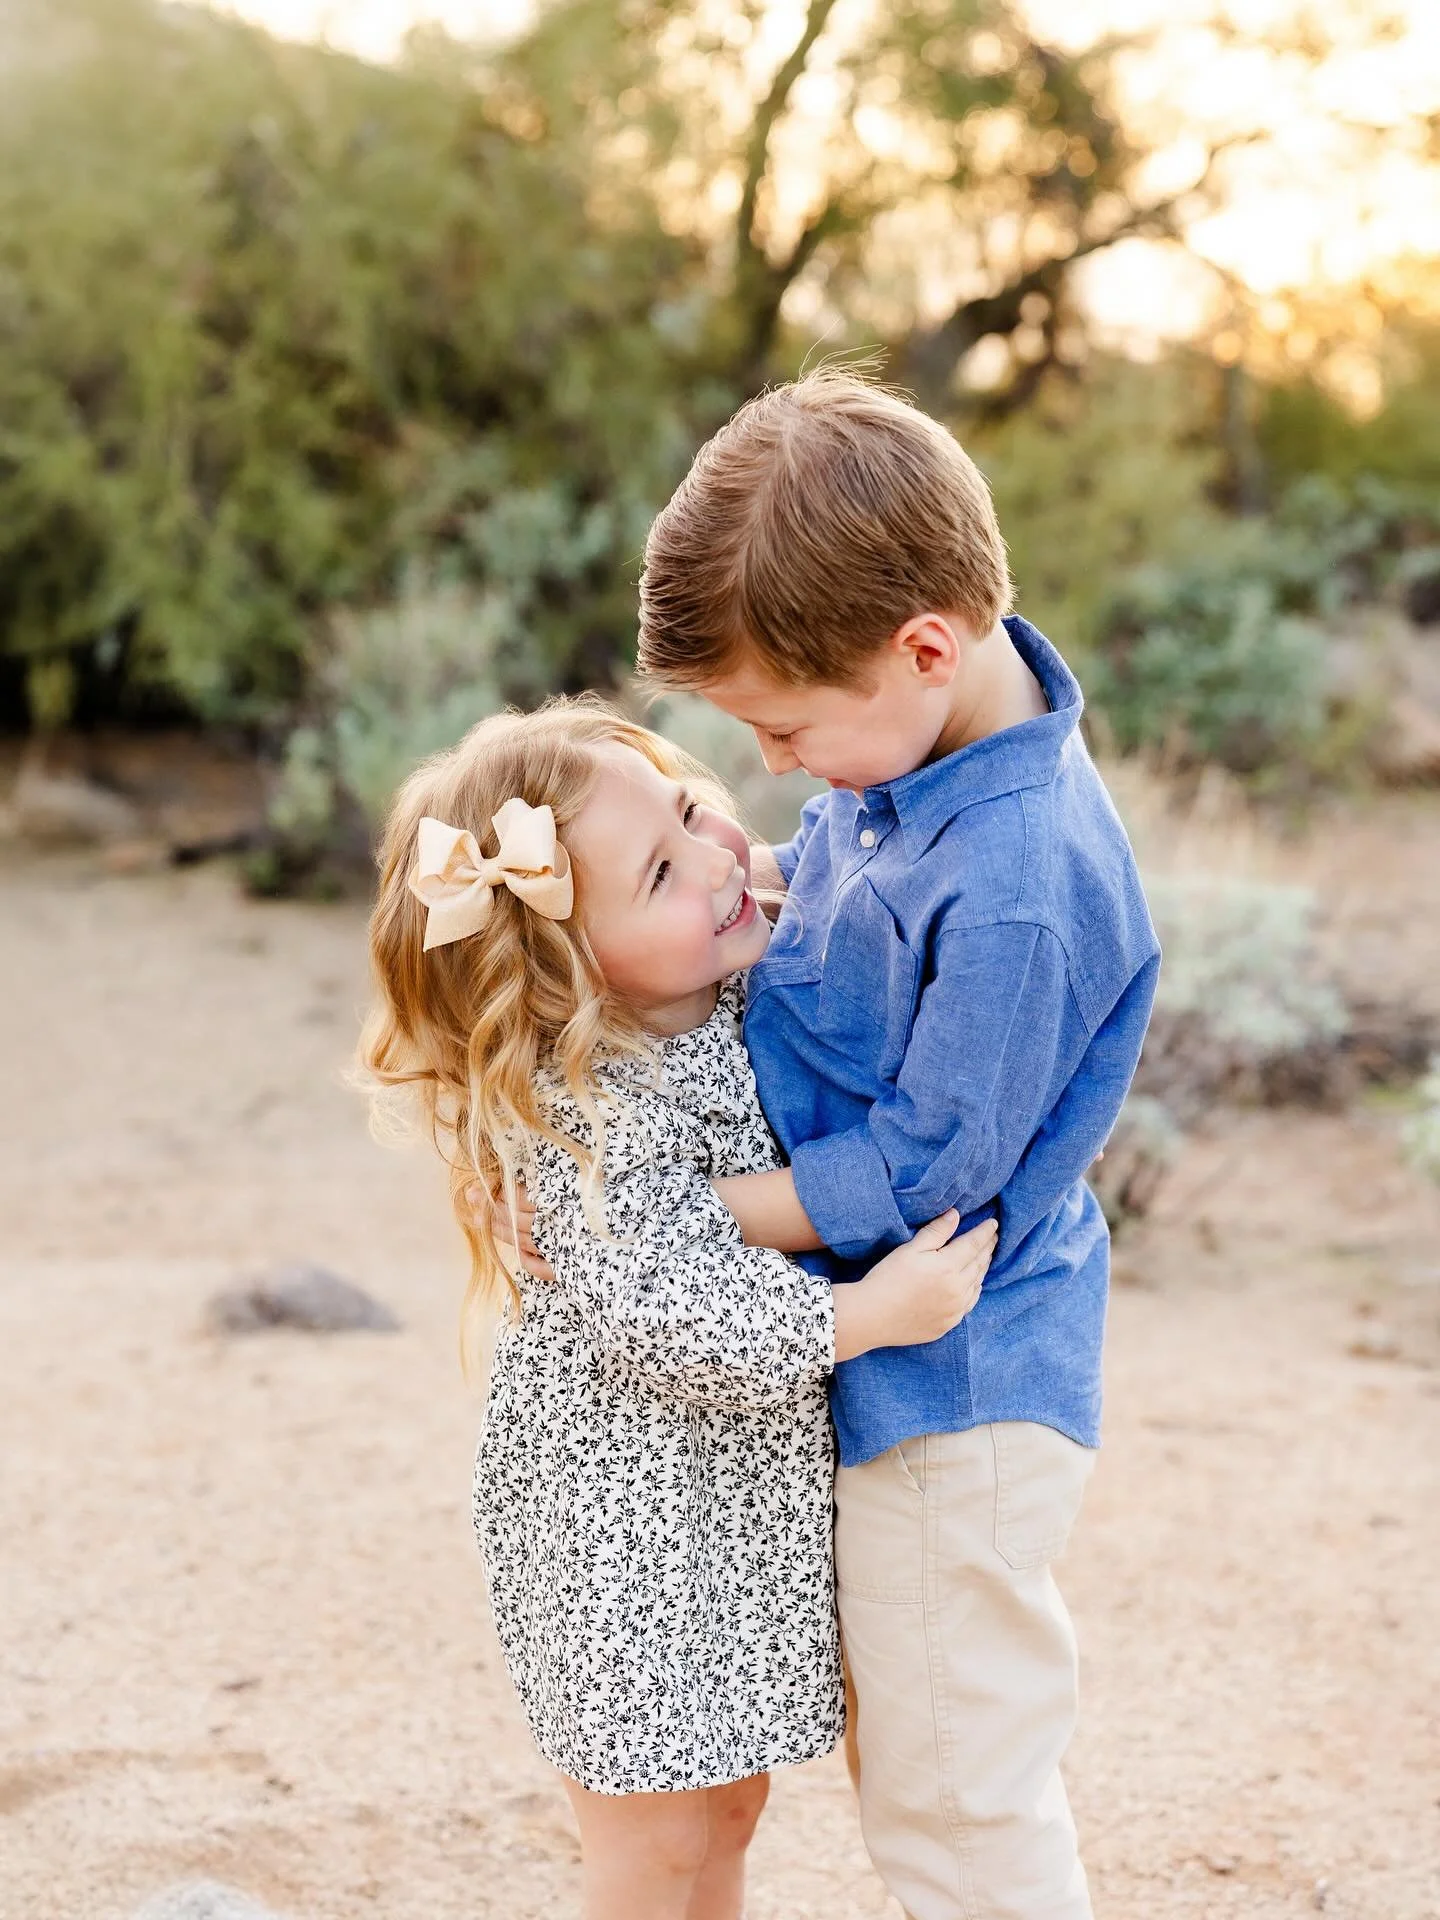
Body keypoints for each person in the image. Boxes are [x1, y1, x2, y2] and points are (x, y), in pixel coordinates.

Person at [634, 370, 1162, 1920]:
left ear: (922, 648)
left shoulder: (1016, 877)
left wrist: (688, 1208)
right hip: (893, 1365)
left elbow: (930, 1167)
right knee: (912, 1755)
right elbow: (840, 907)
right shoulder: (909, 764)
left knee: (955, 1794)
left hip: (962, 1386)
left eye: (784, 726)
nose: (779, 763)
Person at [359, 700, 998, 1920]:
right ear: (571, 968)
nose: (714, 858)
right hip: (622, 1539)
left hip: (718, 1522)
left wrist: (709, 860)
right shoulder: (589, 1103)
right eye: (661, 870)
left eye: (694, 813)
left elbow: (806, 860)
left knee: (730, 1811)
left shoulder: (719, 975)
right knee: (652, 1846)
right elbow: (674, 1309)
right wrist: (870, 1314)